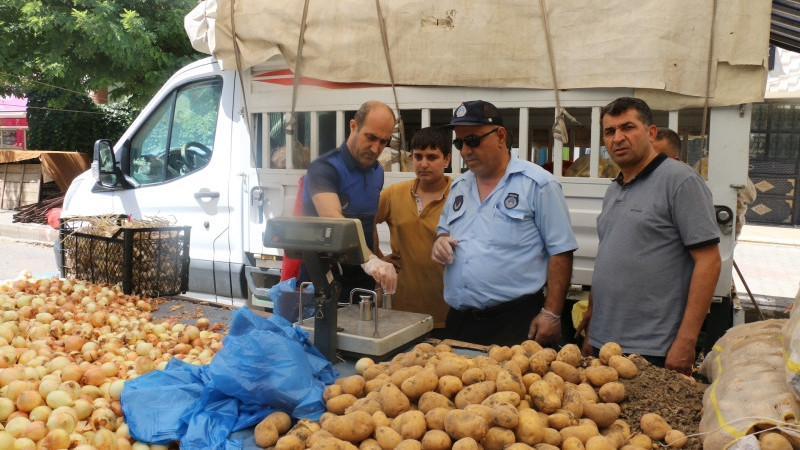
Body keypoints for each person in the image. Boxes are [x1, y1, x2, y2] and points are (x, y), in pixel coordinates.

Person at [582, 97, 721, 375]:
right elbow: (609, 257)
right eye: (610, 131)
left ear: (651, 132)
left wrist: (686, 341)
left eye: (628, 128)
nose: (618, 138)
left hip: (653, 350)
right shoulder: (615, 189)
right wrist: (591, 328)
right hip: (604, 343)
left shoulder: (680, 181)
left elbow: (709, 262)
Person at [431, 100, 579, 347]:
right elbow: (443, 232)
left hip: (515, 322)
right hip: (461, 321)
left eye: (473, 140)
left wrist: (552, 314)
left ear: (500, 136)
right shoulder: (458, 187)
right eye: (459, 143)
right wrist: (440, 243)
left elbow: (561, 251)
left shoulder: (537, 184)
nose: (465, 150)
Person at [301, 100, 398, 301]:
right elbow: (334, 219)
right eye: (370, 137)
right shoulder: (324, 168)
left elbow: (369, 222)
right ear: (353, 126)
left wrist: (377, 262)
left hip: (362, 281)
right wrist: (371, 260)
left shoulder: (377, 172)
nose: (375, 148)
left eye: (383, 141)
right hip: (324, 277)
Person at [375, 127, 452, 333]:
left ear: (446, 160)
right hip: (401, 309)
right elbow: (365, 223)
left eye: (432, 157)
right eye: (418, 156)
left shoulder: (461, 195)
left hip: (448, 311)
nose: (423, 163)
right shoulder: (394, 194)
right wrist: (377, 258)